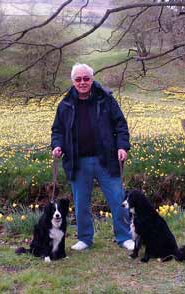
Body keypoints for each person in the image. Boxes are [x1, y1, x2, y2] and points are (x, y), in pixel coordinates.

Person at [51, 63, 134, 251]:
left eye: (86, 78)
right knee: (81, 204)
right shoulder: (64, 105)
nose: (82, 82)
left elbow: (121, 125)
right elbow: (57, 130)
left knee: (117, 199)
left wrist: (122, 146)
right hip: (77, 161)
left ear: (92, 79)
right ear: (73, 82)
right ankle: (85, 239)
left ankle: (124, 237)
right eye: (78, 79)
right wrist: (57, 145)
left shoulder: (106, 100)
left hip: (106, 159)